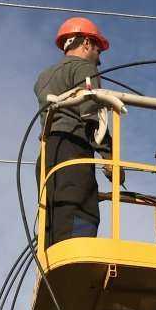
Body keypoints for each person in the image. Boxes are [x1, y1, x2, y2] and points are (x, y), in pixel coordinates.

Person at [34, 17, 113, 243]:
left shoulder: (43, 77)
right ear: (86, 43)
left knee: (52, 215)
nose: (99, 59)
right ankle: (76, 265)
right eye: (98, 49)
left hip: (47, 154)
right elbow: (92, 114)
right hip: (73, 152)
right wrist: (109, 157)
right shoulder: (84, 68)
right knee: (80, 210)